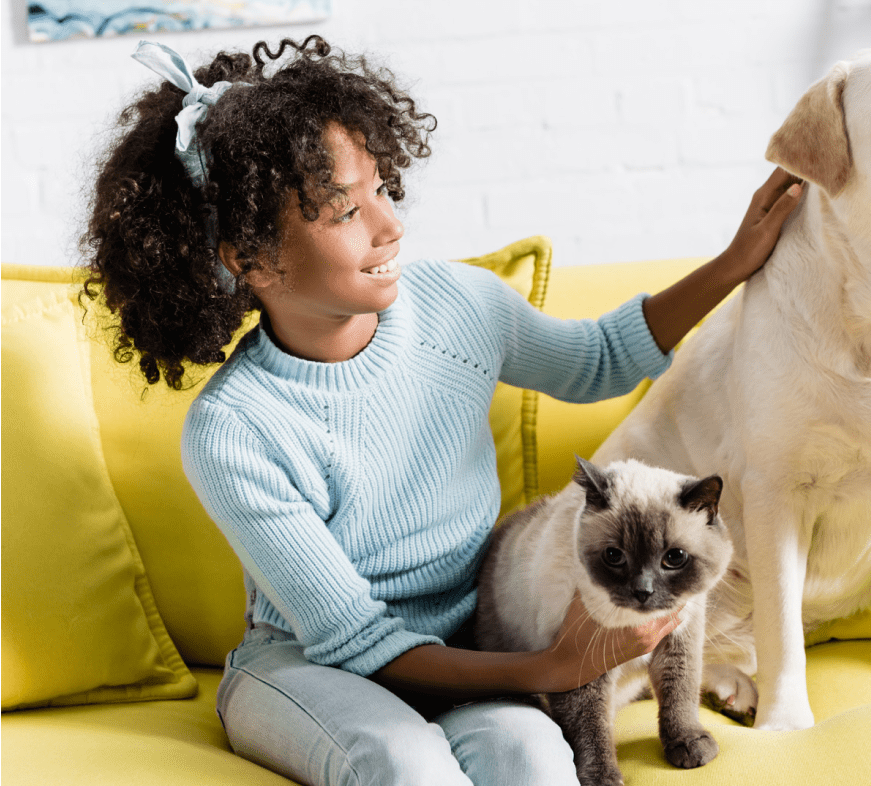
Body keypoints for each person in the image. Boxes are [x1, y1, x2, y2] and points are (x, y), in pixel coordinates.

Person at [81, 34, 801, 786]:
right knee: (406, 763)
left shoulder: (458, 306)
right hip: (306, 669)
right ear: (249, 258)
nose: (389, 225)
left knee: (533, 762)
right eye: (344, 210)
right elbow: (355, 639)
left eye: (382, 189)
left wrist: (733, 262)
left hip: (463, 649)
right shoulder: (232, 431)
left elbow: (598, 359)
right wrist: (549, 667)